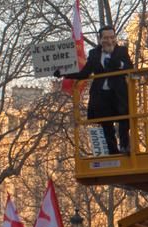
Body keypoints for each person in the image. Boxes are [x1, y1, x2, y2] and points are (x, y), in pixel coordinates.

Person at [56, 25, 133, 154]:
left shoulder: (122, 51)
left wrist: (119, 65)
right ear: (100, 39)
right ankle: (113, 151)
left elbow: (130, 67)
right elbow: (84, 73)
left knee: (124, 119)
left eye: (112, 37)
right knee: (106, 123)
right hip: (101, 94)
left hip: (118, 93)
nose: (109, 41)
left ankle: (125, 146)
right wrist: (64, 73)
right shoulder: (94, 53)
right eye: (106, 38)